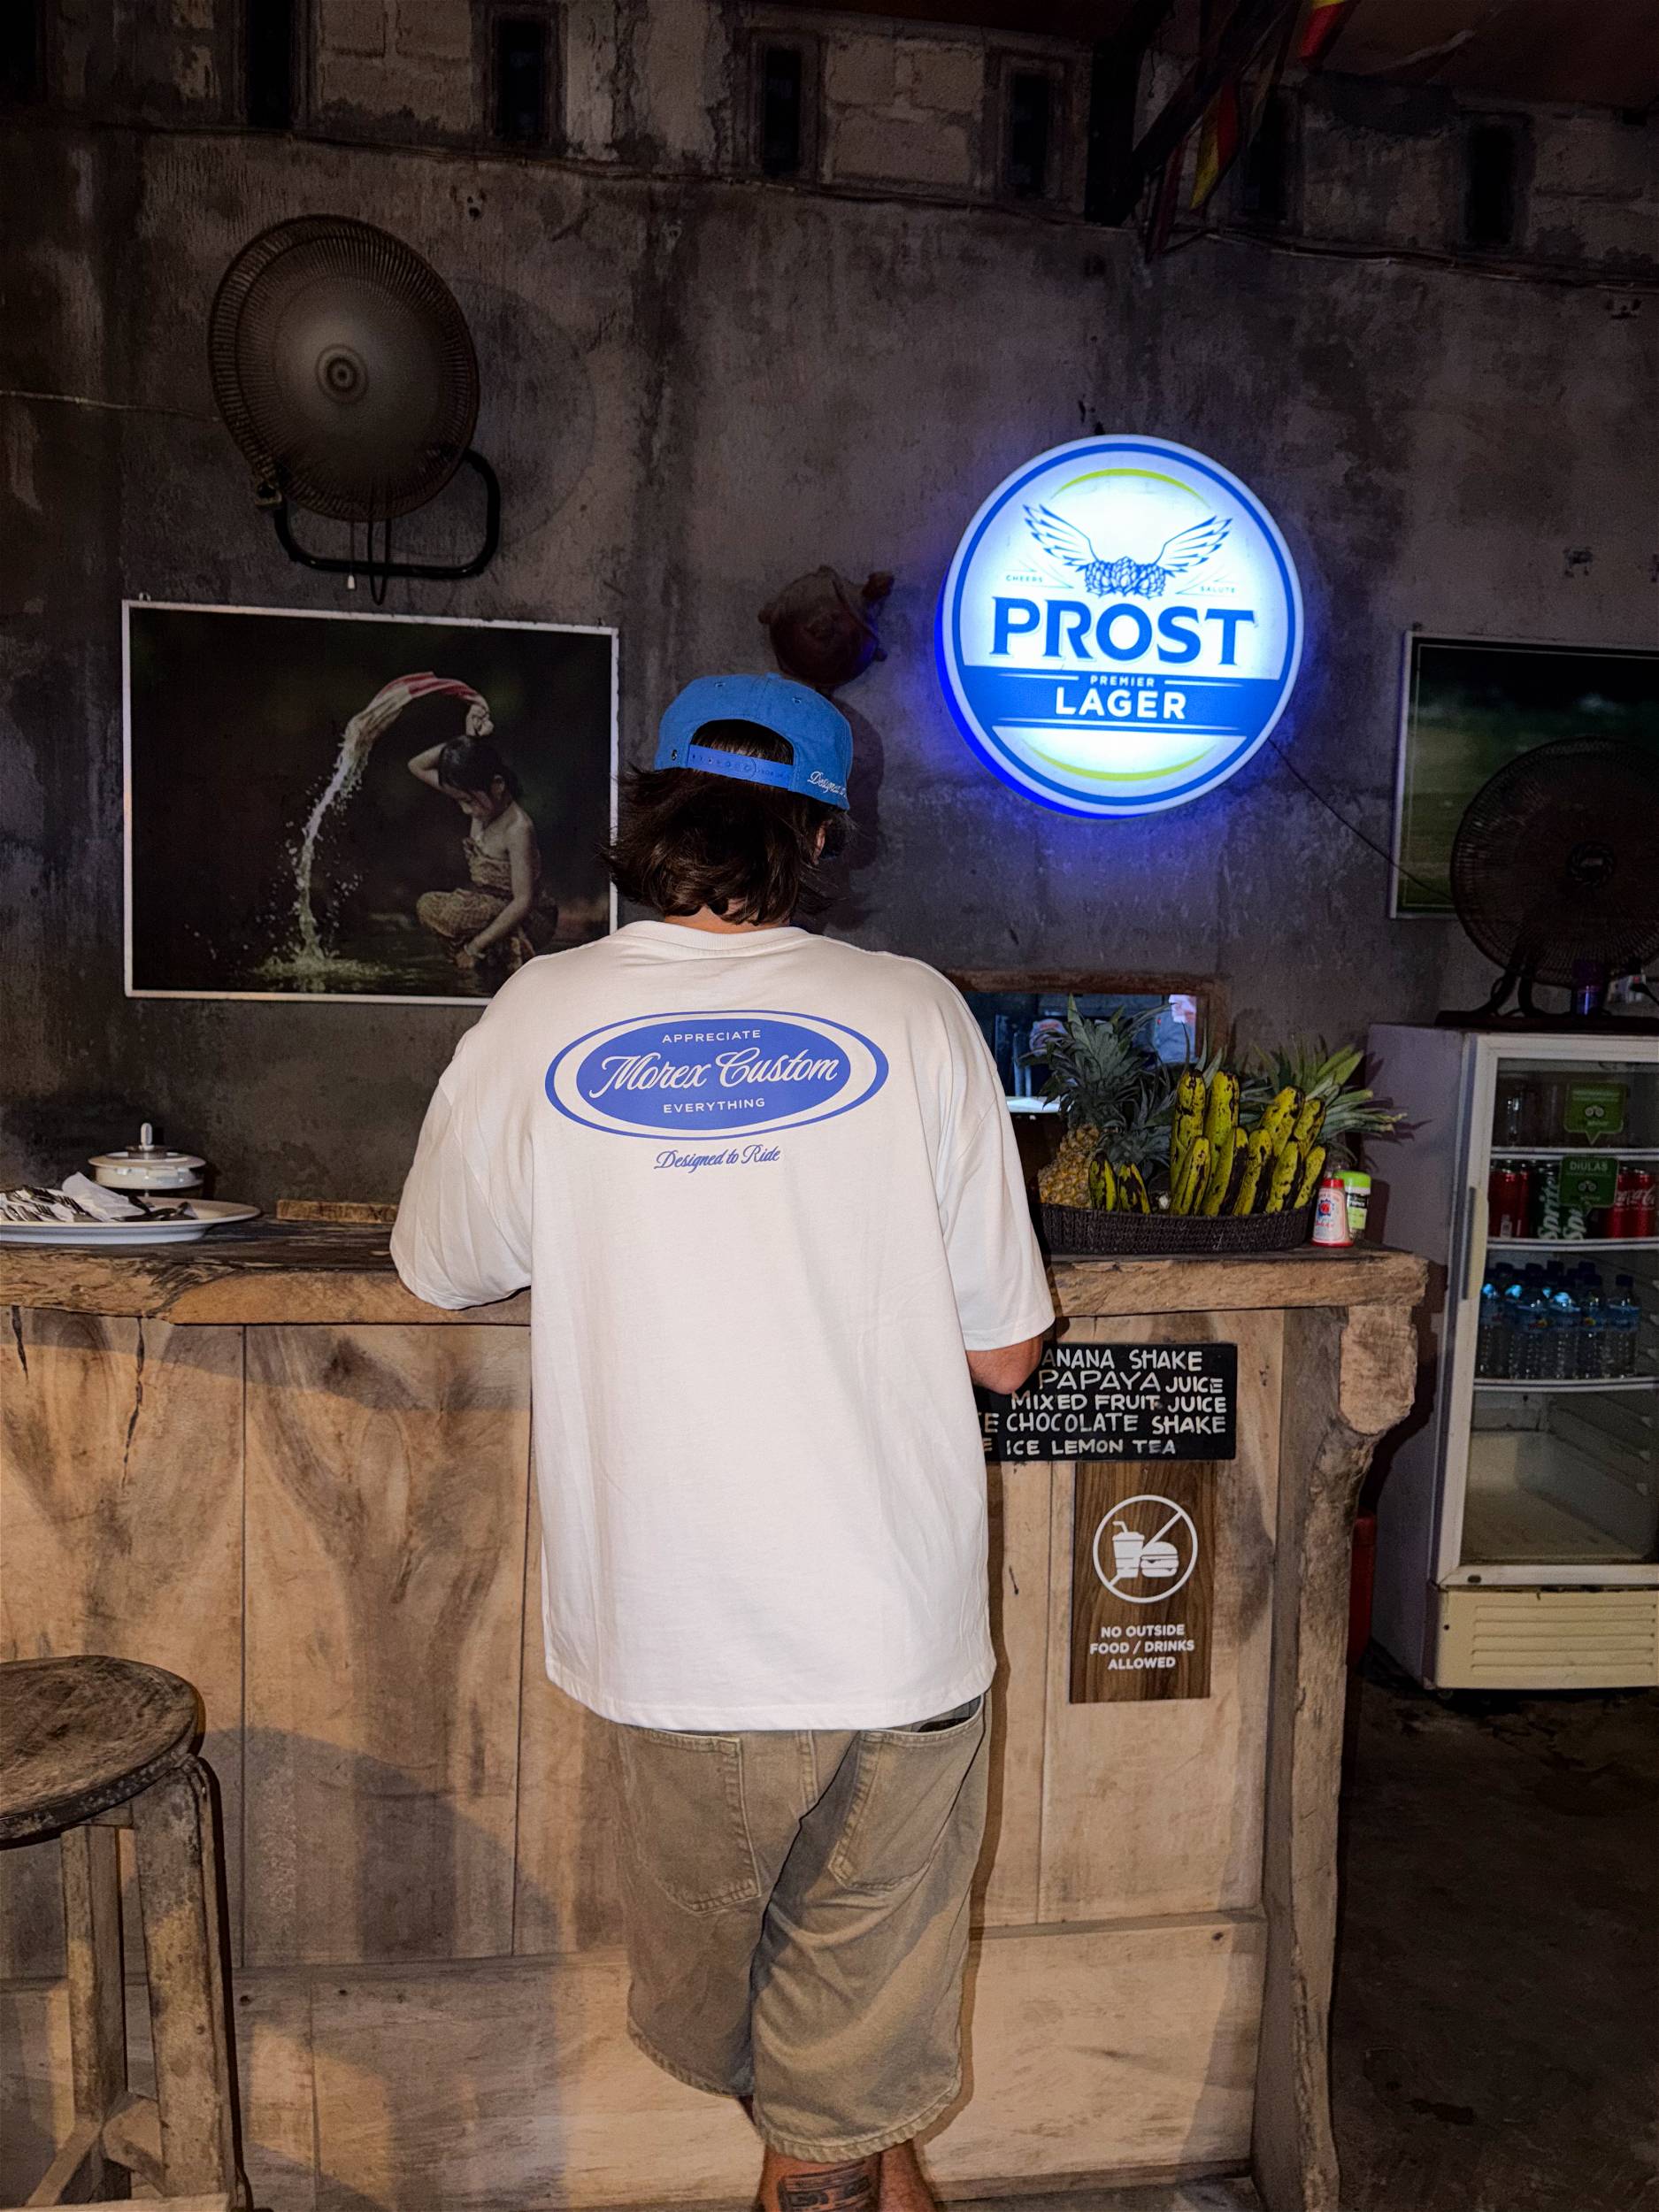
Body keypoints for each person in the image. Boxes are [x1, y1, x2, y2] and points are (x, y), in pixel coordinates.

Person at [391, 672, 1051, 2212]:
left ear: (646, 820)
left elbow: (442, 1265)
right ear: (820, 836)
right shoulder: (914, 1009)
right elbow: (1007, 1351)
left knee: (814, 2070)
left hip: (675, 1636)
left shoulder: (543, 1009)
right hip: (893, 1633)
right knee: (839, 2056)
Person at [407, 711, 559, 976]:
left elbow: (523, 901)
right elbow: (417, 765)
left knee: (455, 915)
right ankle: (488, 953)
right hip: (484, 905)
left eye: (470, 801)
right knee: (428, 905)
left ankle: (490, 950)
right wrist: (467, 742)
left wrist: (474, 947)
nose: (466, 811)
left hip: (526, 914)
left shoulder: (517, 828)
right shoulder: (477, 800)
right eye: (459, 802)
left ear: (497, 785)